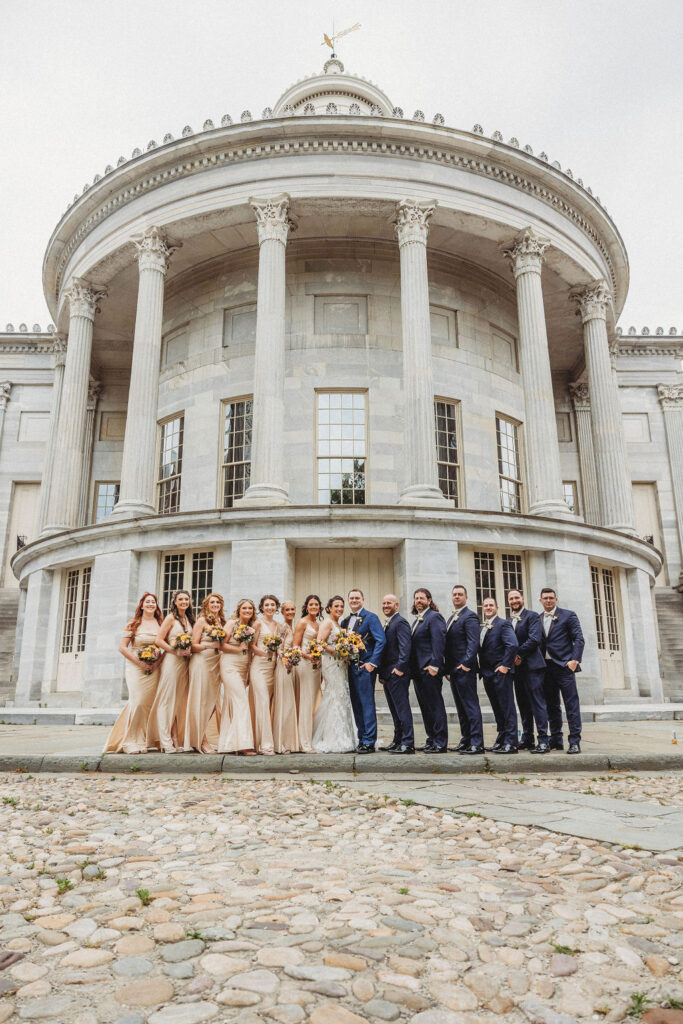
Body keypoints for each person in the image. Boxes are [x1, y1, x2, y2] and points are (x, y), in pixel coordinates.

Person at [103, 592, 164, 754]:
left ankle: (146, 739)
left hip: (155, 667)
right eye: (148, 602)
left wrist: (155, 664)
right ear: (142, 605)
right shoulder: (133, 623)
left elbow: (164, 647)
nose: (151, 604)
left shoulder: (161, 623)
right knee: (138, 701)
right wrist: (140, 663)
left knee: (149, 703)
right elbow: (122, 647)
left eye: (153, 602)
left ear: (156, 606)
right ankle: (130, 741)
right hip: (135, 667)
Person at [147, 590, 194, 753]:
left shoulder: (189, 619)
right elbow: (158, 640)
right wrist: (175, 651)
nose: (183, 601)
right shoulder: (170, 618)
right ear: (174, 601)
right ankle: (165, 742)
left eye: (186, 599)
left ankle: (175, 740)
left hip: (185, 664)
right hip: (171, 662)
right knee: (166, 701)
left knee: (177, 702)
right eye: (180, 599)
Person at [539, 588, 585, 754]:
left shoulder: (568, 615)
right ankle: (556, 740)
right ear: (541, 601)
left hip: (564, 666)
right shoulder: (538, 619)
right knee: (551, 705)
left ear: (556, 599)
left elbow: (579, 639)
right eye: (545, 598)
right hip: (546, 668)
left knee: (571, 705)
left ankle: (574, 741)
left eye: (551, 598)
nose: (548, 601)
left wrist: (574, 660)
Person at [340, 588, 386, 754]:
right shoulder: (345, 621)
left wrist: (372, 663)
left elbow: (381, 641)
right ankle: (362, 738)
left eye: (357, 598)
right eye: (351, 598)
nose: (354, 600)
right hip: (350, 669)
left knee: (367, 704)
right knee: (357, 704)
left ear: (363, 599)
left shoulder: (371, 617)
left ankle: (369, 740)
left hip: (365, 668)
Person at [312, 596, 357, 752]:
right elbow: (319, 643)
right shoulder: (326, 623)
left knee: (342, 696)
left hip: (341, 664)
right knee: (335, 695)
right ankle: (333, 738)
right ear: (329, 608)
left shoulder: (339, 624)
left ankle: (345, 735)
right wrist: (337, 651)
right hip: (331, 663)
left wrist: (347, 651)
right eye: (336, 606)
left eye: (341, 606)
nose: (339, 609)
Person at [507, 588, 549, 754]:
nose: (514, 601)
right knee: (523, 704)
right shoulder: (508, 620)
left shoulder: (532, 617)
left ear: (522, 598)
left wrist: (519, 654)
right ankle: (528, 738)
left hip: (532, 667)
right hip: (517, 670)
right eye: (511, 599)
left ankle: (544, 741)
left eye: (516, 597)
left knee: (537, 703)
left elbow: (534, 639)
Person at [444, 584, 483, 755]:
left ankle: (477, 743)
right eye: (454, 594)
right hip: (453, 670)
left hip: (465, 669)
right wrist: (447, 668)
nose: (457, 597)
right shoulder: (452, 617)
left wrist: (466, 663)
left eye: (460, 594)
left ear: (466, 597)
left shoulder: (470, 616)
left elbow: (473, 643)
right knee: (460, 707)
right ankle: (465, 739)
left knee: (470, 705)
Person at [184, 593, 225, 754]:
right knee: (202, 701)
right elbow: (193, 645)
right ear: (206, 605)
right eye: (212, 602)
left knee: (213, 704)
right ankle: (201, 741)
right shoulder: (201, 621)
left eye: (218, 602)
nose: (215, 605)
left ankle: (198, 736)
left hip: (216, 664)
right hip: (201, 662)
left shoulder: (221, 622)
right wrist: (209, 646)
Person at [478, 596, 519, 754]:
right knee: (497, 708)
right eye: (485, 605)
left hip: (500, 673)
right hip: (487, 674)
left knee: (507, 707)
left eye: (491, 605)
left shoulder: (503, 624)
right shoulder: (483, 627)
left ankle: (511, 742)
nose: (488, 607)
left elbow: (513, 644)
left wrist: (505, 665)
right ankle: (501, 738)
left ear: (497, 607)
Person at [217, 598, 257, 756]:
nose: (247, 611)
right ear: (239, 610)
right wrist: (238, 649)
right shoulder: (231, 623)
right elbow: (221, 645)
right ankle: (243, 744)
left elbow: (249, 652)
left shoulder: (251, 628)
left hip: (242, 667)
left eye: (250, 609)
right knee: (241, 701)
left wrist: (247, 673)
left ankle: (229, 743)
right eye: (245, 608)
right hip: (229, 665)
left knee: (232, 703)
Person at [410, 588, 447, 753]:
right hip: (419, 671)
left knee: (435, 706)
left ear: (429, 600)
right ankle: (431, 739)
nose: (418, 600)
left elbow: (439, 642)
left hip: (429, 670)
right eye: (416, 598)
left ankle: (440, 742)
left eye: (421, 598)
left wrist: (434, 665)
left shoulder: (434, 617)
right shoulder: (418, 620)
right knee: (425, 708)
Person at [378, 594, 414, 754]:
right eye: (384, 603)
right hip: (387, 674)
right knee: (394, 710)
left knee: (402, 708)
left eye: (389, 603)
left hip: (398, 673)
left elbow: (405, 648)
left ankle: (408, 742)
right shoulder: (389, 623)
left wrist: (399, 667)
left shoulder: (401, 622)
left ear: (396, 605)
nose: (386, 605)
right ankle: (397, 740)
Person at [248, 595, 282, 755]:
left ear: (276, 607)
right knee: (261, 703)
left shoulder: (278, 625)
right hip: (259, 668)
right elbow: (251, 646)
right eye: (267, 605)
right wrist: (264, 653)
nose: (270, 607)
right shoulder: (257, 623)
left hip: (272, 669)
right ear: (262, 607)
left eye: (273, 605)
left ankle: (260, 741)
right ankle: (265, 745)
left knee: (267, 705)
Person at [293, 594, 324, 753]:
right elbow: (295, 646)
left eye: (316, 605)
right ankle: (304, 743)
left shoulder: (318, 624)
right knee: (305, 702)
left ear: (319, 607)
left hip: (316, 667)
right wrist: (308, 656)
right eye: (311, 604)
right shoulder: (302, 623)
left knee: (314, 702)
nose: (314, 607)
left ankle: (313, 737)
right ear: (306, 606)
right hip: (304, 664)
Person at [272, 599, 301, 754]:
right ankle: (281, 743)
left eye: (292, 609)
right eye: (287, 610)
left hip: (291, 666)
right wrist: (286, 661)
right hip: (284, 667)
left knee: (291, 704)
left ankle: (290, 741)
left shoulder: (293, 626)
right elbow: (278, 647)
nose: (290, 612)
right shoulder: (283, 627)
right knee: (285, 704)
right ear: (282, 612)